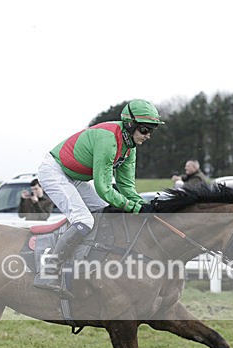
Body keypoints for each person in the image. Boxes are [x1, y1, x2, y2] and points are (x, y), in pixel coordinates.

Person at [33, 99, 164, 294]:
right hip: (55, 171)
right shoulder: (108, 139)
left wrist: (145, 205)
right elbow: (104, 189)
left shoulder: (130, 148)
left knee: (106, 213)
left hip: (74, 177)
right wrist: (136, 208)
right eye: (145, 130)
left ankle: (90, 263)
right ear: (130, 124)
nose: (148, 136)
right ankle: (48, 271)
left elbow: (126, 188)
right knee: (84, 219)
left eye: (151, 131)